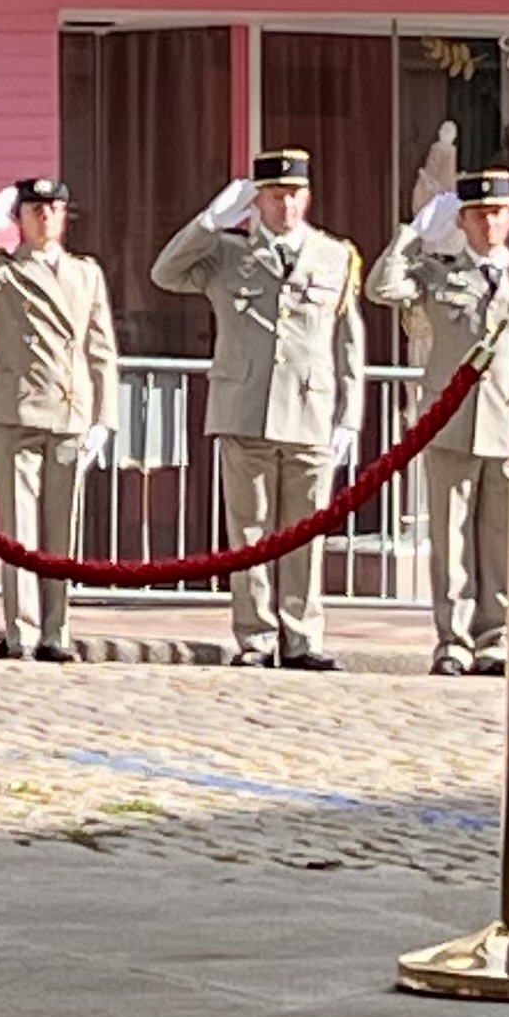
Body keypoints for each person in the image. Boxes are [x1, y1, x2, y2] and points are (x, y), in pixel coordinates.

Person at [153, 145, 364, 671]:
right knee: (249, 532)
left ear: (307, 197)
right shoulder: (227, 254)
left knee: (305, 533)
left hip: (310, 412)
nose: (285, 206)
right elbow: (165, 273)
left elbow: (348, 343)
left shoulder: (335, 255)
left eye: (294, 194)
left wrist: (350, 416)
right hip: (246, 409)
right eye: (274, 195)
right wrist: (209, 222)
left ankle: (303, 636)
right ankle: (256, 636)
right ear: (256, 201)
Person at [0, 175, 119, 661]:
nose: (45, 218)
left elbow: (101, 349)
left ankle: (57, 631)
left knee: (61, 532)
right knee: (19, 532)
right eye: (35, 210)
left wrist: (104, 418)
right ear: (19, 218)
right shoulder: (3, 268)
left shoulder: (85, 273)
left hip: (69, 413)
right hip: (17, 412)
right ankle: (22, 632)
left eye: (53, 209)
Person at [367, 165, 509, 678]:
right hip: (451, 421)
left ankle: (497, 636)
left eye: (498, 213)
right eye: (479, 214)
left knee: (502, 540)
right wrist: (411, 233)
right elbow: (382, 288)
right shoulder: (439, 273)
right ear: (462, 220)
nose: (489, 224)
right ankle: (454, 639)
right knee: (450, 538)